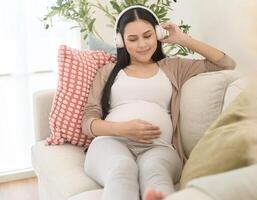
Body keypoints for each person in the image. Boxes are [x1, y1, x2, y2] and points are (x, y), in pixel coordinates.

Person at [81, 5, 236, 200]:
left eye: (147, 35)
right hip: (111, 142)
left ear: (158, 34)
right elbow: (88, 121)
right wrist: (123, 129)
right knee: (122, 168)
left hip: (158, 147)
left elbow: (226, 63)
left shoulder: (173, 67)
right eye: (132, 39)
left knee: (155, 173)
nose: (142, 45)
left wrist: (182, 38)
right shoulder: (108, 71)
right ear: (120, 41)